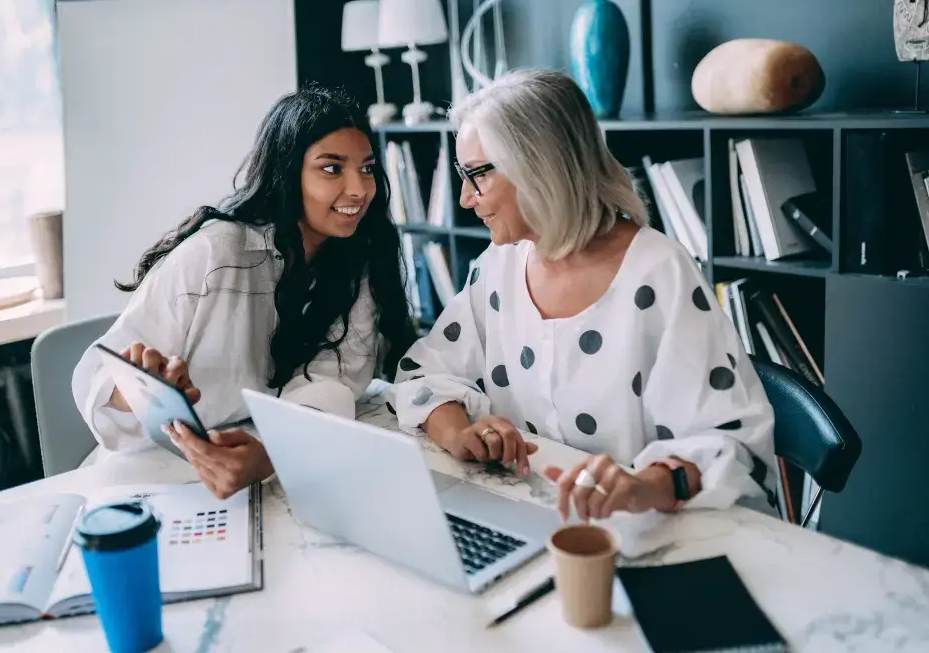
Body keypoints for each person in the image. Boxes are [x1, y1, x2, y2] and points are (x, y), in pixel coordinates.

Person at [388, 69, 776, 522]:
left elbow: (730, 442)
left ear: (537, 167)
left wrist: (639, 486)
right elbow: (424, 373)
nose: (465, 199)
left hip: (648, 533)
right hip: (531, 518)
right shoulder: (499, 267)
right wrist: (461, 434)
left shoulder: (659, 273)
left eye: (477, 176)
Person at [72, 85, 416, 499]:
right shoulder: (216, 252)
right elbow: (97, 377)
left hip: (254, 466)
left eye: (366, 168)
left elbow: (335, 382)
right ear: (289, 173)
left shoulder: (354, 260)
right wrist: (144, 388)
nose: (359, 189)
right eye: (332, 168)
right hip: (153, 478)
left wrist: (274, 454)